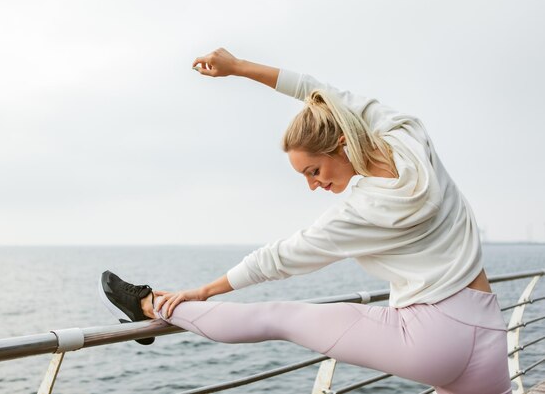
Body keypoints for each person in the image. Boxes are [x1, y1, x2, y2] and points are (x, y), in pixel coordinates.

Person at [99, 48, 511, 394]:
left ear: (342, 144)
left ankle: (149, 305)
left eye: (313, 171)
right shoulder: (406, 132)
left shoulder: (363, 211)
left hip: (430, 339)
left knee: (280, 317)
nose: (314, 185)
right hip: (488, 330)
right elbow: (318, 91)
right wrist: (239, 67)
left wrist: (204, 289)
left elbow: (280, 258)